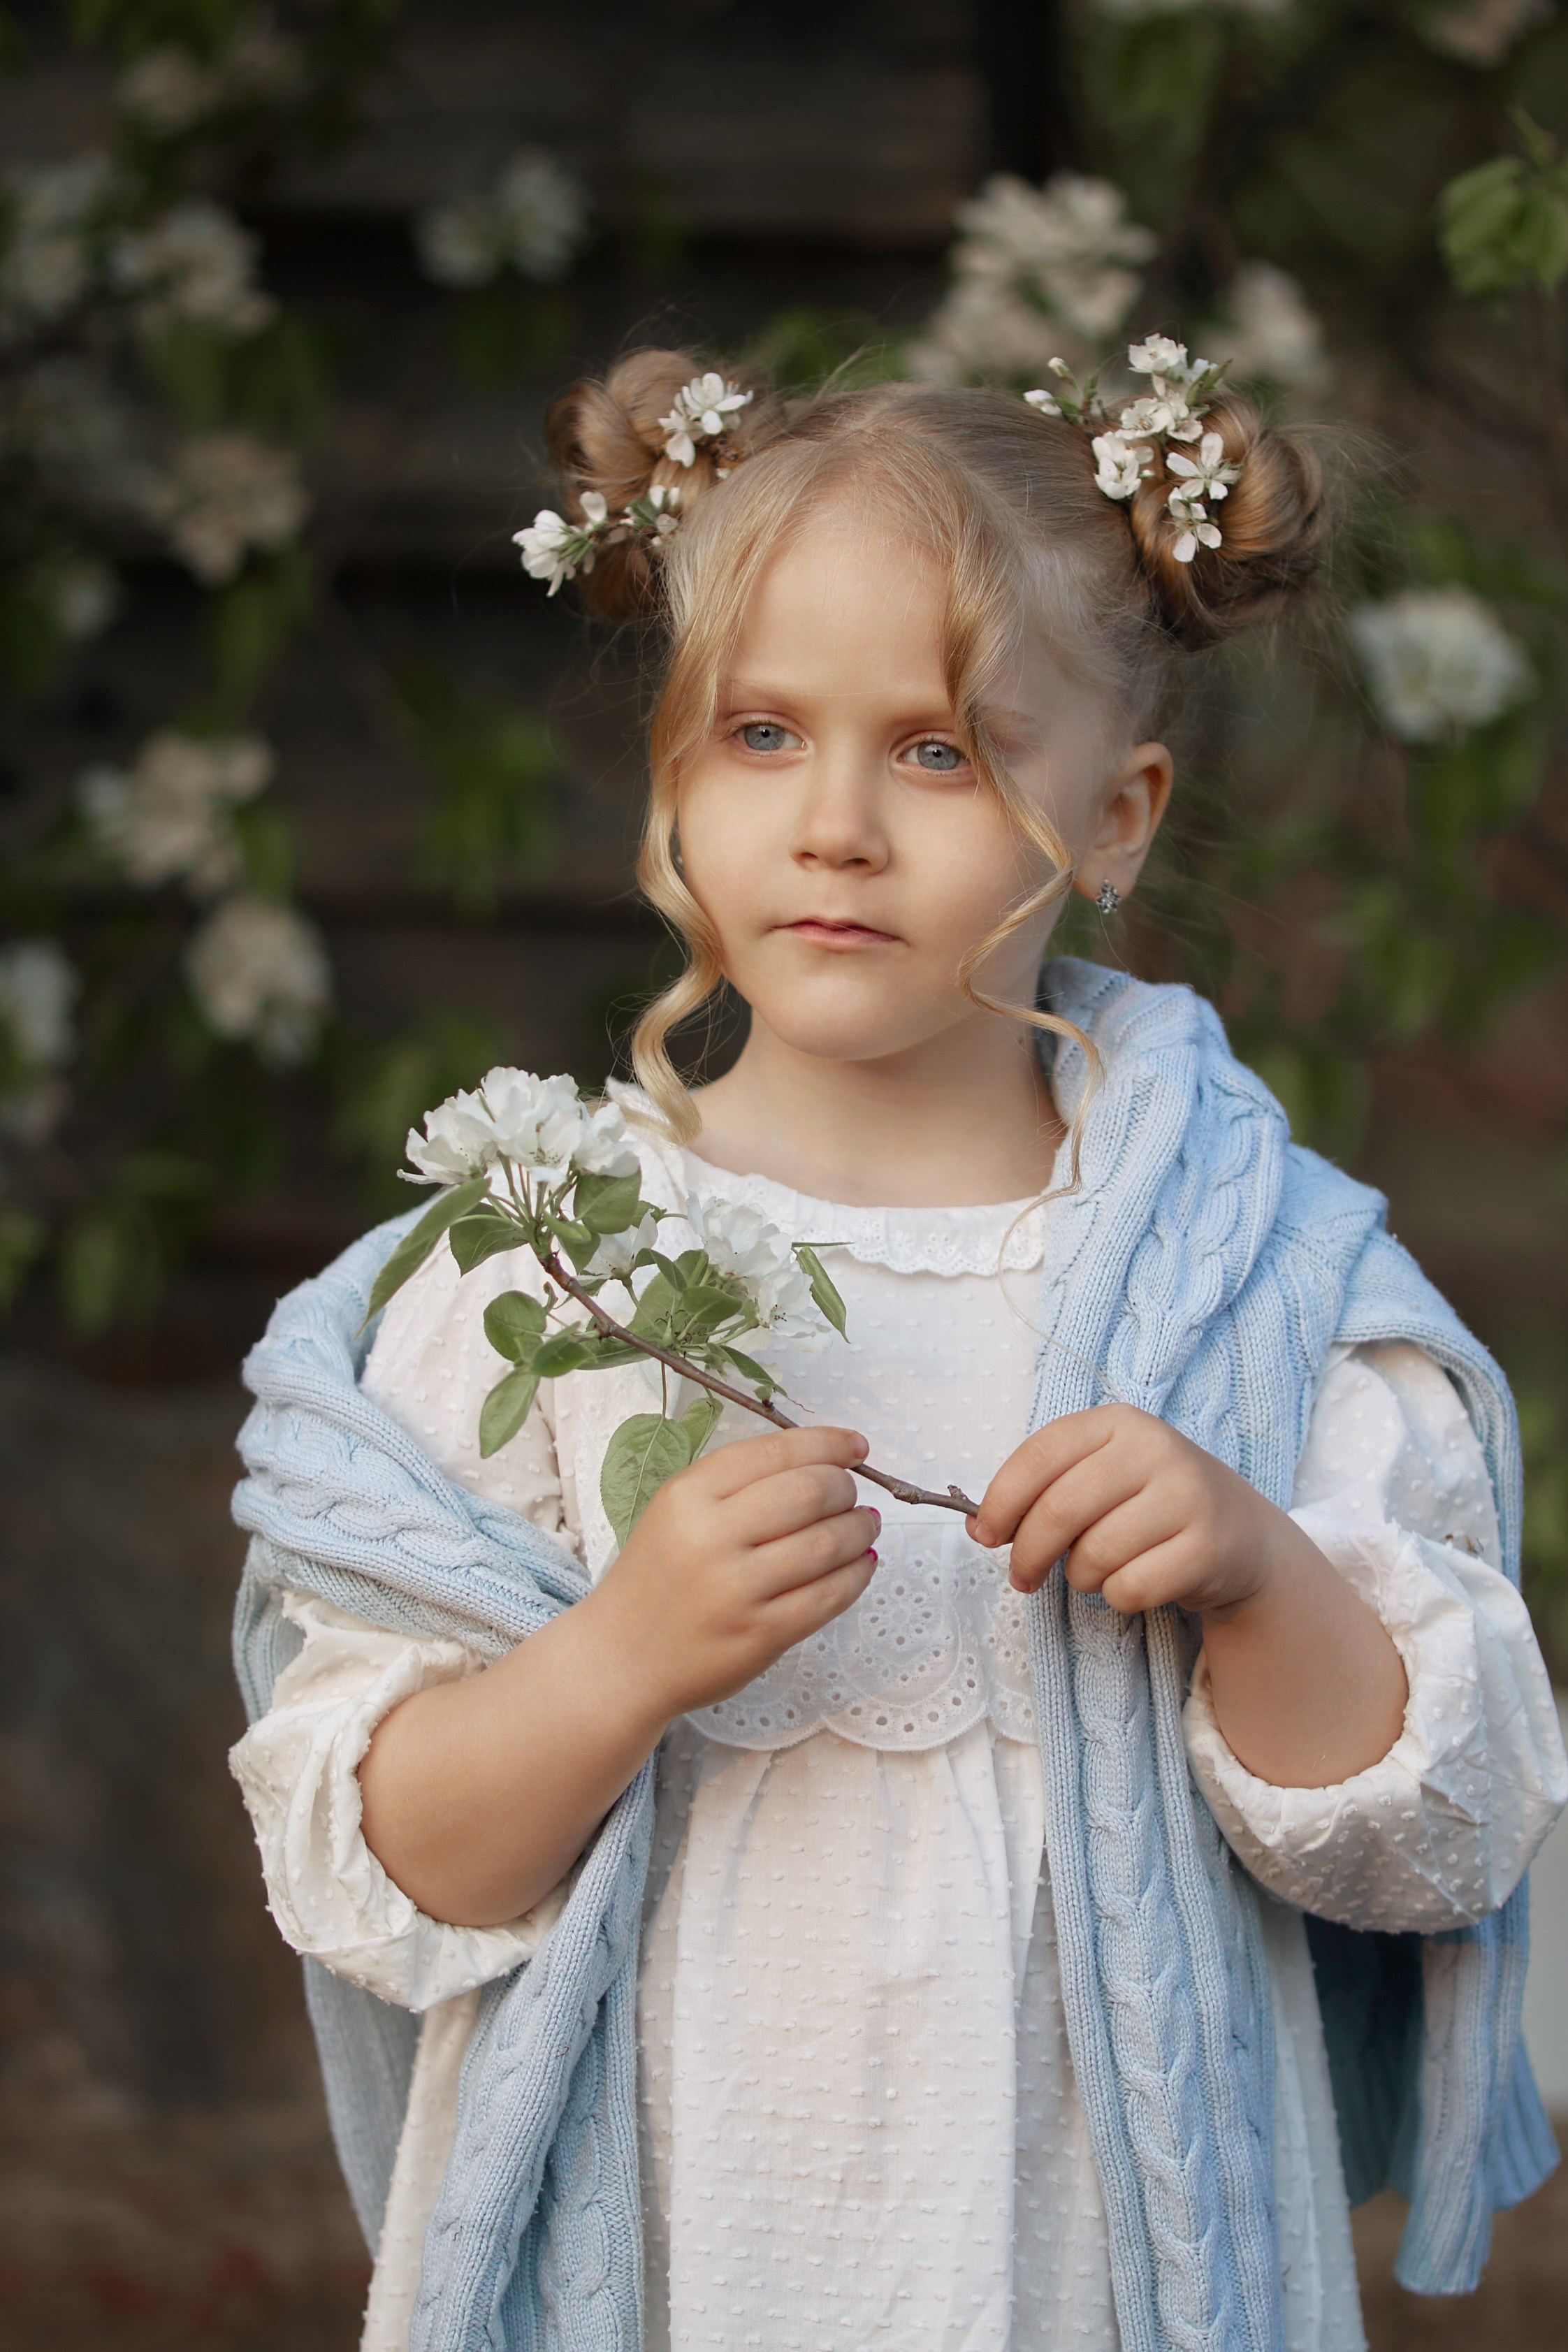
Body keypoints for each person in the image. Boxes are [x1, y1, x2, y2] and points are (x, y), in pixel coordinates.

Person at [229, 347, 1567, 2352]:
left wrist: (1257, 1574)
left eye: (940, 751)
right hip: (690, 2262)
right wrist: (618, 1658)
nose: (835, 825)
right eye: (762, 732)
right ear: (674, 771)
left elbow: (1428, 1840)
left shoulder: (1250, 1287)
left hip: (1086, 2281)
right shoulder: (543, 1273)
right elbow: (389, 1874)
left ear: (1115, 817)